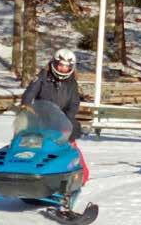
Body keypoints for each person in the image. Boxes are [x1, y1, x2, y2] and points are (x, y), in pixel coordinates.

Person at [20, 48, 89, 185]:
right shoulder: (43, 77)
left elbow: (74, 103)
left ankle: (81, 174)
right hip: (41, 118)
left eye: (66, 66)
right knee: (32, 146)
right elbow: (30, 91)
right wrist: (26, 105)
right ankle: (26, 172)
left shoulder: (72, 82)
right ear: (54, 63)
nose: (63, 69)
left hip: (62, 121)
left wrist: (67, 119)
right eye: (60, 65)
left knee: (69, 147)